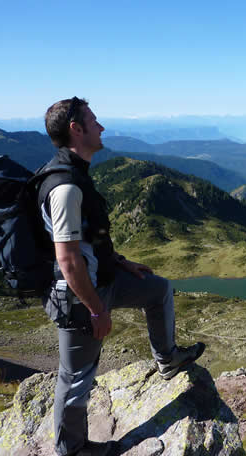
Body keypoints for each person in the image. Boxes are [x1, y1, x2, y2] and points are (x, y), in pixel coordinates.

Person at [40, 97, 205, 456]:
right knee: (76, 378)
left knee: (158, 289)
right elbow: (68, 260)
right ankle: (72, 449)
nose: (102, 127)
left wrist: (121, 262)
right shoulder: (65, 187)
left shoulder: (77, 176)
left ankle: (168, 359)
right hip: (79, 298)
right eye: (94, 121)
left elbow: (89, 240)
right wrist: (97, 310)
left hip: (103, 280)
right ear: (76, 129)